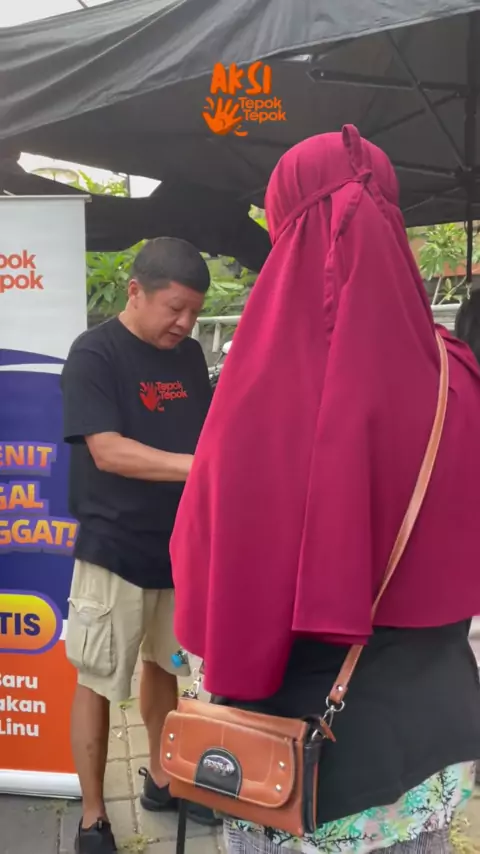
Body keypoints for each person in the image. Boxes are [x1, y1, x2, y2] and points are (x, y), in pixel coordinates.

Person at [170, 128, 480, 854]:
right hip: (430, 737)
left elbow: (210, 577)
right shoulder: (459, 377)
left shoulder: (257, 395)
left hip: (297, 759)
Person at [61, 237, 218, 854]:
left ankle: (162, 777)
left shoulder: (187, 357)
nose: (185, 323)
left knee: (165, 666)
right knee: (99, 678)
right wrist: (202, 469)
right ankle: (93, 815)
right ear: (136, 292)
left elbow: (209, 431)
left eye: (195, 313)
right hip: (114, 547)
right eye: (176, 308)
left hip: (176, 546)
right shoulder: (94, 354)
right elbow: (108, 450)